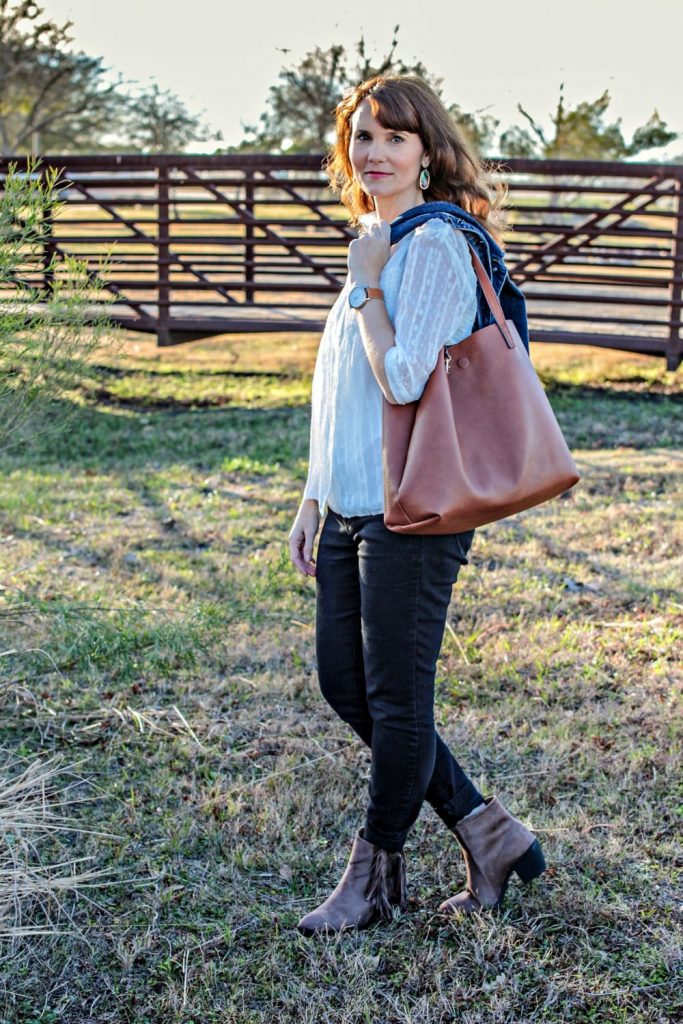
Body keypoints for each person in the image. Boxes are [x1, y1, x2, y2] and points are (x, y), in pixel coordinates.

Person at [288, 74, 546, 937]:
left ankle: (372, 878)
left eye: (395, 137)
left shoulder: (428, 245)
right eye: (362, 135)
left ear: (426, 153)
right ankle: (488, 829)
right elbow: (342, 393)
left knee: (397, 701)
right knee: (343, 684)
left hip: (418, 504)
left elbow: (401, 377)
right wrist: (311, 497)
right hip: (352, 498)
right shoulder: (374, 237)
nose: (374, 152)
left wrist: (366, 289)